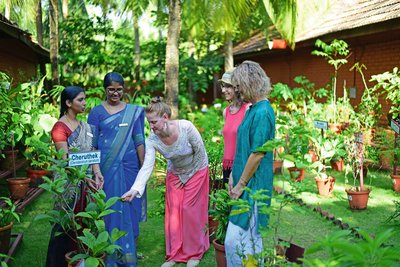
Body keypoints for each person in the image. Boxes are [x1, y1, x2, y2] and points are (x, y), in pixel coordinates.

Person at [121, 97, 210, 267]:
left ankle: (194, 253)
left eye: (154, 122)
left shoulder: (186, 127)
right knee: (174, 213)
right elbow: (147, 166)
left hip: (197, 169)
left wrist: (190, 176)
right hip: (175, 173)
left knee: (189, 209)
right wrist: (135, 189)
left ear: (165, 117)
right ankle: (174, 255)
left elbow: (200, 152)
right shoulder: (152, 140)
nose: (151, 126)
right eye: (149, 122)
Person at [88, 72, 145, 266]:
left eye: (119, 89)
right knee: (110, 206)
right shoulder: (96, 112)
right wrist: (96, 170)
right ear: (104, 89)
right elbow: (92, 144)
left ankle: (130, 250)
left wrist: (144, 167)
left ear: (124, 89)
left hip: (130, 167)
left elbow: (139, 140)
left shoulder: (133, 111)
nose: (115, 93)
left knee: (130, 206)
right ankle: (110, 251)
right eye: (111, 89)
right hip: (106, 168)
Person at [224, 61, 275, 266]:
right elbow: (242, 147)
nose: (237, 90)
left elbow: (257, 154)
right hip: (243, 181)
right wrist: (233, 177)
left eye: (238, 86)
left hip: (253, 186)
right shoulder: (253, 109)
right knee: (245, 242)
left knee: (239, 241)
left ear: (249, 83)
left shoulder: (263, 112)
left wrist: (240, 184)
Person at [46, 86, 104, 267]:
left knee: (85, 220)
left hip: (87, 181)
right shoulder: (59, 128)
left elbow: (92, 151)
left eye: (84, 99)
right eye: (80, 100)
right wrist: (84, 178)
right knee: (66, 224)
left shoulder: (85, 126)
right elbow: (64, 160)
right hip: (69, 184)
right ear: (68, 103)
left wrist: (97, 172)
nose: (84, 103)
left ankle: (83, 260)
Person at [220, 68, 250, 184]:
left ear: (237, 88)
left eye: (228, 86)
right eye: (223, 86)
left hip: (241, 165)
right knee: (227, 200)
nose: (223, 90)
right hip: (226, 166)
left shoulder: (248, 109)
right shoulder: (226, 112)